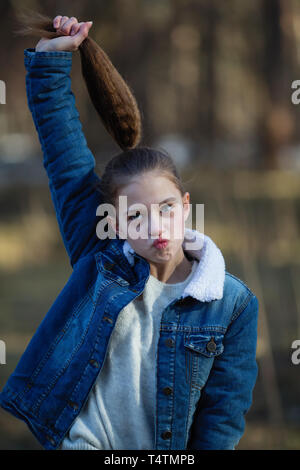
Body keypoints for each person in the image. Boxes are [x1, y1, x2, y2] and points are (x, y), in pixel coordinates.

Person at [0, 15, 259, 450]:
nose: (157, 226)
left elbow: (223, 418)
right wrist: (49, 62)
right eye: (136, 216)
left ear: (186, 207)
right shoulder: (99, 257)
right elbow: (66, 161)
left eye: (167, 209)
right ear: (115, 223)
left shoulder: (231, 305)